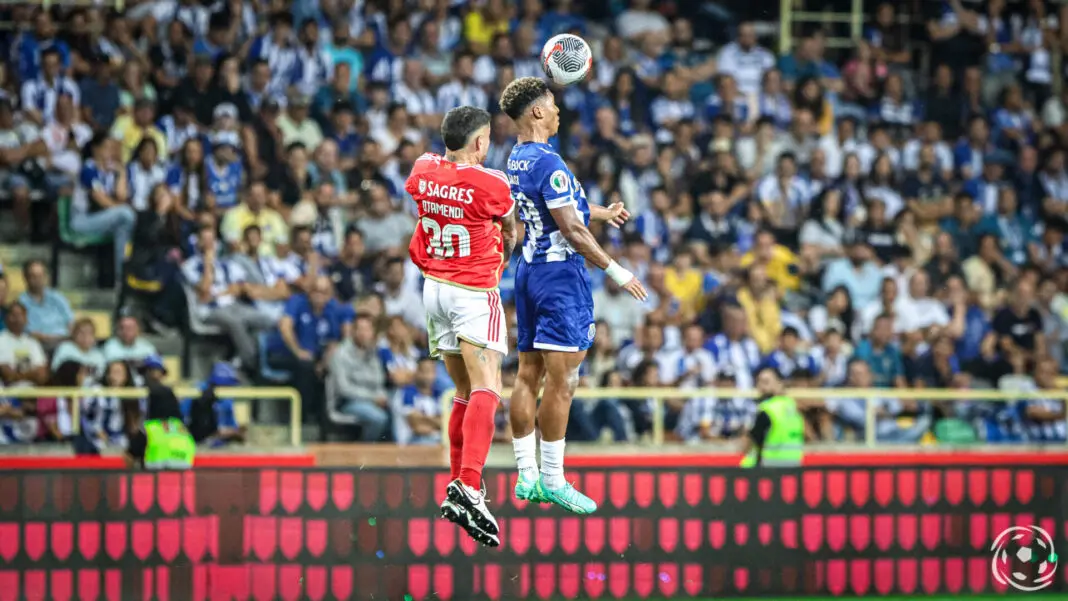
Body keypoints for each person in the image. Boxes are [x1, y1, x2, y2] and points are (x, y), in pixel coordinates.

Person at [499, 77, 646, 515]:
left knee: (528, 375)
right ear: (537, 112)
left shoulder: (517, 159)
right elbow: (572, 229)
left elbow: (555, 210)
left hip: (528, 272)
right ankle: (554, 479)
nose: (560, 111)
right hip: (562, 279)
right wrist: (617, 271)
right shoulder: (550, 162)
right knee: (564, 383)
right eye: (554, 104)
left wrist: (602, 211)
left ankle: (526, 475)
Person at [405, 105, 517, 548]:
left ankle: (457, 485)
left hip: (433, 289)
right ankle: (470, 483)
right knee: (488, 386)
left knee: (464, 393)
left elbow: (430, 176)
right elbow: (509, 225)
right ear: (480, 143)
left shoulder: (422, 168)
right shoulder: (492, 182)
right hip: (472, 291)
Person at [125, 355, 195, 470]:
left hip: (154, 479)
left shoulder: (151, 428)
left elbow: (130, 455)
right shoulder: (182, 429)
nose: (152, 375)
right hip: (182, 480)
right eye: (148, 371)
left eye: (156, 371)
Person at [739, 366, 805, 467]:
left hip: (769, 467)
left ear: (780, 384)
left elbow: (747, 446)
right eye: (758, 382)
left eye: (766, 382)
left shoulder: (768, 409)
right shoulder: (792, 406)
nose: (761, 387)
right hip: (794, 466)